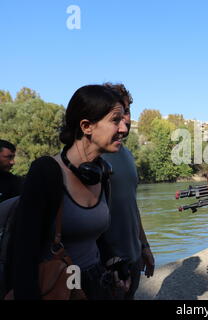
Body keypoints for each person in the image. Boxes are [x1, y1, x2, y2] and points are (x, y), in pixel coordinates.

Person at [10, 85, 128, 299]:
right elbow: (22, 253)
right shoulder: (46, 172)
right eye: (115, 120)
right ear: (86, 126)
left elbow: (96, 237)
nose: (124, 128)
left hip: (97, 285)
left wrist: (113, 260)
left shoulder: (102, 173)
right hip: (58, 285)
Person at [101, 83, 155, 300]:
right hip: (106, 265)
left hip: (132, 258)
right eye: (116, 116)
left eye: (127, 112)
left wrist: (144, 247)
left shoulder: (128, 155)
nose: (124, 123)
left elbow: (131, 207)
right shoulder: (91, 159)